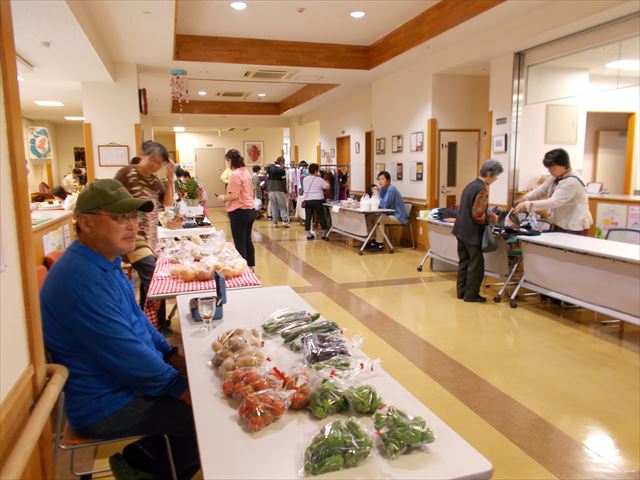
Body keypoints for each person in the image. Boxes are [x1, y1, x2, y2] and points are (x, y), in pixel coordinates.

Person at [40, 179, 199, 480]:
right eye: (118, 217)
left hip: (121, 385)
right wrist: (181, 388)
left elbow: (138, 321)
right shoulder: (81, 281)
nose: (132, 226)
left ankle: (140, 459)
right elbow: (128, 355)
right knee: (204, 419)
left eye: (134, 217)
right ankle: (147, 470)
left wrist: (169, 354)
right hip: (104, 406)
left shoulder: (105, 261)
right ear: (85, 222)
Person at [115, 141, 175, 329]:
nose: (155, 165)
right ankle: (150, 327)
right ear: (143, 155)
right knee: (154, 277)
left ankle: (156, 321)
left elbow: (167, 203)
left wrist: (171, 178)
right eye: (152, 160)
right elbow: (113, 200)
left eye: (159, 163)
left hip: (151, 236)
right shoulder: (127, 173)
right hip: (132, 236)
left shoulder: (154, 180)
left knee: (153, 277)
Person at [452, 159, 504, 303]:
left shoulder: (470, 185)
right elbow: (478, 215)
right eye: (495, 176)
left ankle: (461, 292)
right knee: (476, 265)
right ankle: (472, 295)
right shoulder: (481, 189)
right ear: (489, 174)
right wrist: (490, 217)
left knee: (464, 262)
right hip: (472, 233)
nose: (495, 179)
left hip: (460, 230)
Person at [513, 148, 592, 235]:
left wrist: (526, 205)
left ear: (563, 165)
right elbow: (540, 190)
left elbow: (554, 202)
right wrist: (524, 198)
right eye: (548, 168)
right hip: (560, 222)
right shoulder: (555, 176)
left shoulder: (572, 181)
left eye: (552, 168)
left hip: (573, 224)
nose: (549, 171)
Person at [217, 149, 256, 268]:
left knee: (239, 242)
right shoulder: (246, 172)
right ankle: (250, 266)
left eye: (227, 161)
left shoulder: (235, 174)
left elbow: (234, 195)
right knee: (247, 240)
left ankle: (242, 268)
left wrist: (223, 197)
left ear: (229, 160)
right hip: (250, 209)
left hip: (239, 211)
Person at [367, 171, 408, 250]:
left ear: (388, 180)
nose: (380, 181)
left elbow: (384, 205)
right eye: (379, 179)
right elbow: (378, 203)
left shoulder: (391, 189)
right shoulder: (383, 189)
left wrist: (377, 194)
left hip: (398, 217)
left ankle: (380, 243)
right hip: (390, 214)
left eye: (382, 179)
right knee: (369, 217)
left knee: (380, 219)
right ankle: (372, 240)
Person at [302, 163, 330, 240]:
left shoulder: (305, 179)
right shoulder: (319, 179)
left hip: (307, 200)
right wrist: (327, 182)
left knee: (308, 217)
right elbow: (327, 187)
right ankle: (324, 233)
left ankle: (309, 234)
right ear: (316, 170)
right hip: (317, 199)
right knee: (321, 216)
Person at [266, 156, 290, 227]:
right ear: (281, 162)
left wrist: (268, 189)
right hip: (279, 189)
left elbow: (267, 179)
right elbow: (284, 181)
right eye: (283, 163)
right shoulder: (282, 170)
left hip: (271, 190)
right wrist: (286, 191)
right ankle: (284, 221)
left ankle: (275, 222)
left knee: (273, 206)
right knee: (282, 205)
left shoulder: (269, 169)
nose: (284, 165)